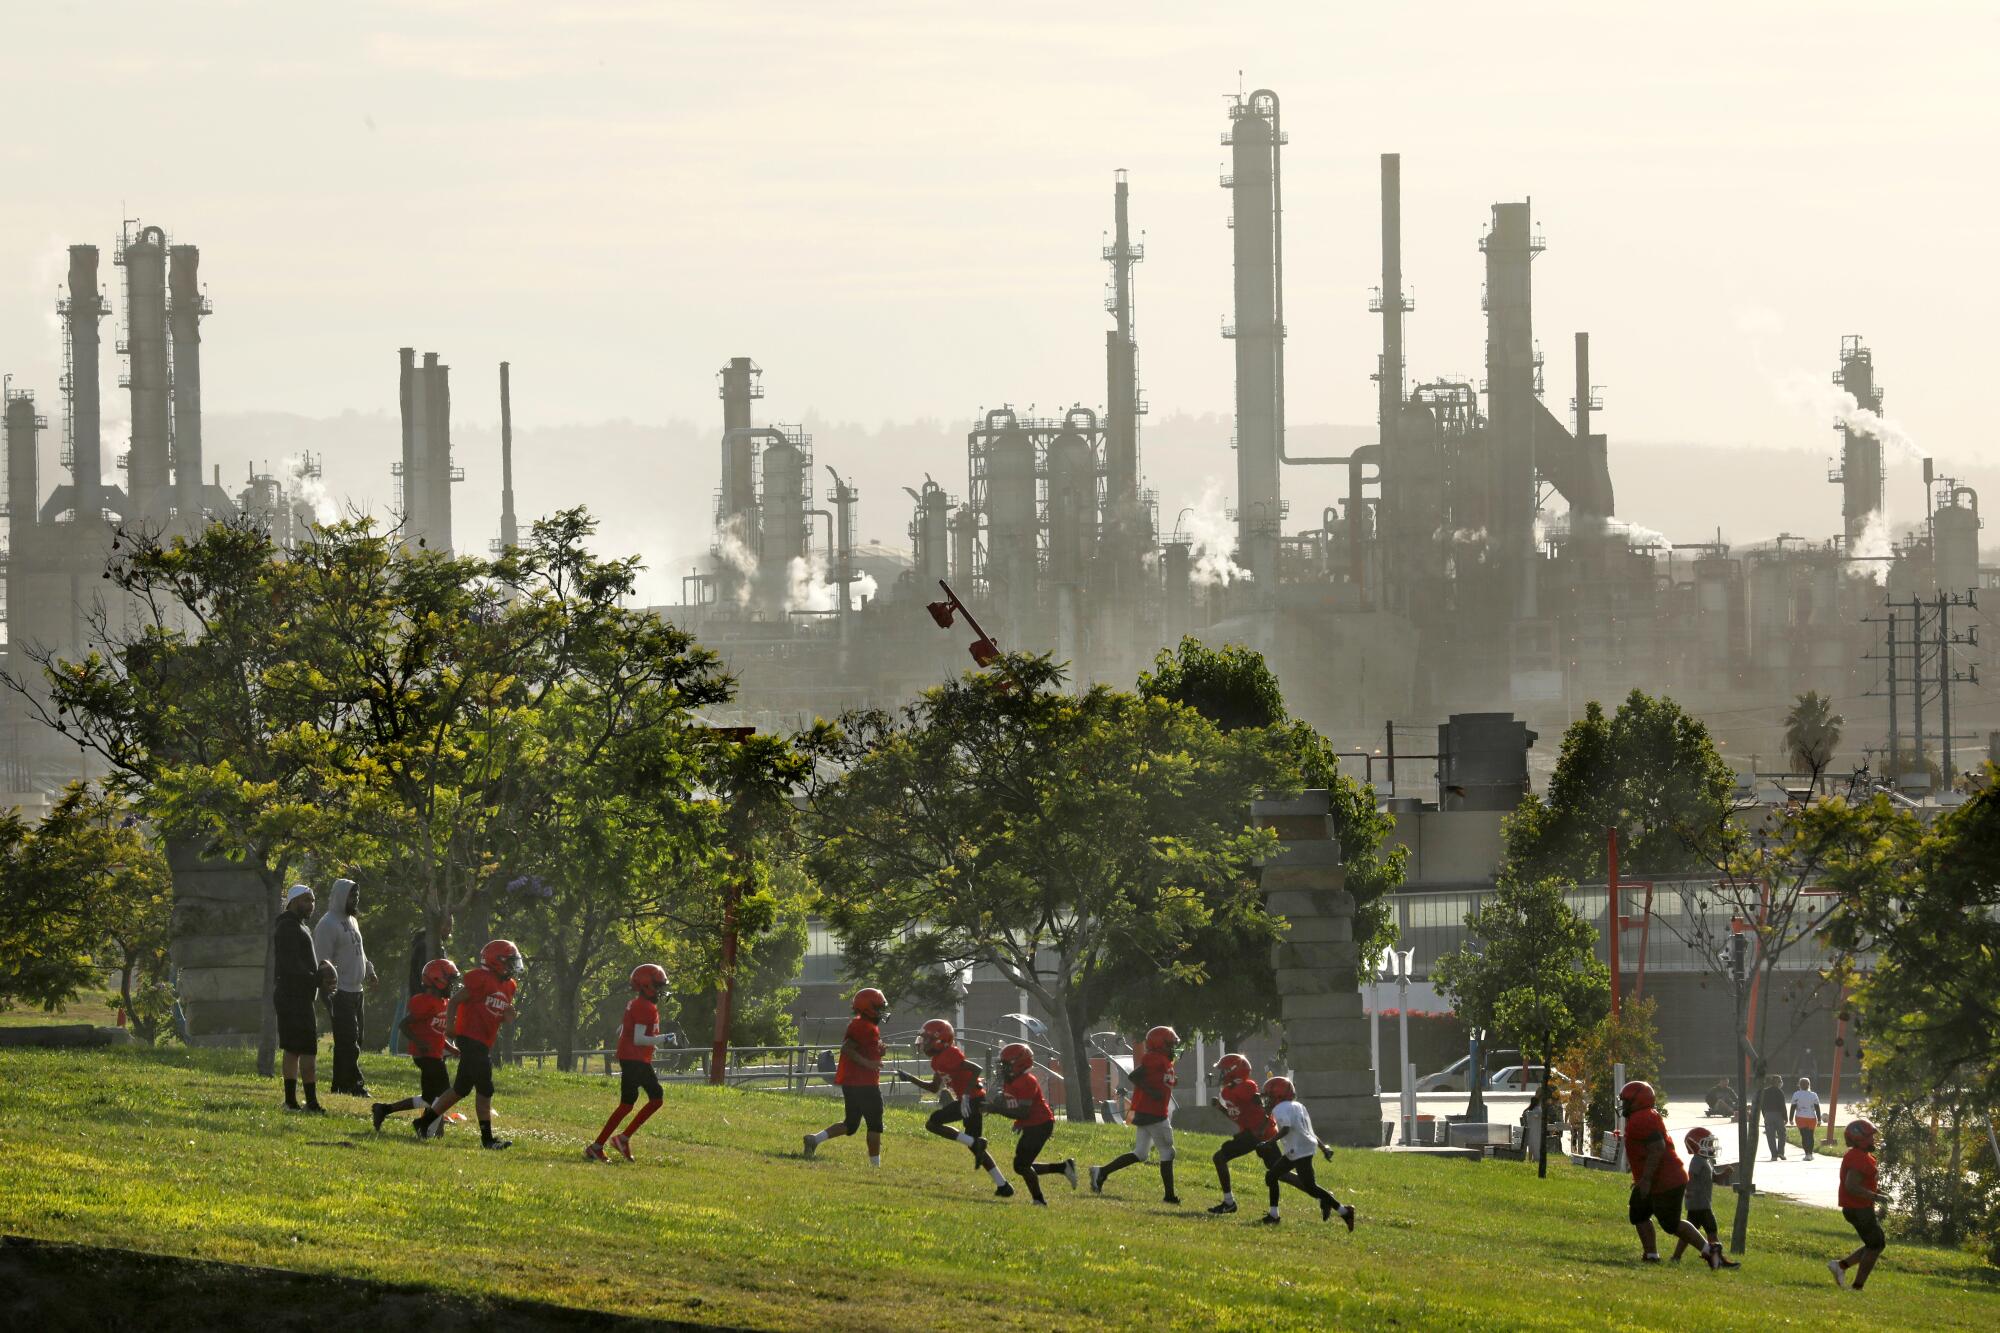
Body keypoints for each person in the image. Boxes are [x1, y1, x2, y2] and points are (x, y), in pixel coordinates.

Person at [412, 939, 523, 1150]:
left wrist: (506, 1016)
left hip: (483, 1040)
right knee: (485, 1087)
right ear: (495, 961)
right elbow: (455, 1001)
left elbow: (494, 1013)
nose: (512, 966)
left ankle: (423, 1122)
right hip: (470, 1037)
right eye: (509, 962)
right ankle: (487, 1140)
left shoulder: (509, 986)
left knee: (461, 1089)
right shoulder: (481, 979)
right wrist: (451, 1027)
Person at [1618, 1080, 1736, 1269]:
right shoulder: (1645, 1115)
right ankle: (1651, 1255)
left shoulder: (1641, 1118)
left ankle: (1709, 1250)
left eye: (1626, 1101)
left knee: (1670, 1224)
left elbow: (1657, 1148)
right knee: (1638, 1212)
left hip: (1665, 1180)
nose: (1623, 1105)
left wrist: (1646, 1179)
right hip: (1659, 1177)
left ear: (1637, 1101)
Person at [897, 1018, 1011, 1195]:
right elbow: (934, 1088)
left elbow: (976, 1069)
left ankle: (978, 1144)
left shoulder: (950, 1053)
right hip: (970, 1100)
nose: (923, 1042)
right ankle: (1003, 1185)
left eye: (927, 1039)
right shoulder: (936, 1060)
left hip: (972, 1100)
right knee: (975, 1147)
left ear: (940, 1040)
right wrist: (910, 1078)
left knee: (933, 1123)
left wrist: (965, 1094)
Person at [587, 963, 677, 1162]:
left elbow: (628, 1030)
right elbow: (639, 1038)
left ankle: (607, 1143)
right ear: (646, 985)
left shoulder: (639, 1004)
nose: (661, 990)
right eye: (658, 986)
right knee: (653, 1098)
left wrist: (653, 1042)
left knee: (631, 1103)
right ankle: (612, 1142)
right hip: (635, 1059)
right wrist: (664, 1038)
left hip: (634, 1058)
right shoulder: (644, 1006)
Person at [1089, 1026, 1181, 1204]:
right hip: (1154, 1113)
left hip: (1147, 1112)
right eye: (1170, 1044)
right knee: (1167, 1152)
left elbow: (1158, 1079)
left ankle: (1101, 1172)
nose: (1173, 1047)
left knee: (1140, 1153)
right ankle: (1169, 1196)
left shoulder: (1161, 1059)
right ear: (1161, 1044)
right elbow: (1135, 1077)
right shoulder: (1155, 1058)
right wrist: (1151, 1091)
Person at [804, 987, 890, 1164]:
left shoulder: (864, 1025)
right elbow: (847, 1048)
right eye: (878, 1007)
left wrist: (878, 1053)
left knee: (850, 1125)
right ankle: (876, 1168)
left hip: (853, 1083)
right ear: (868, 1008)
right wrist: (869, 1064)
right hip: (865, 1084)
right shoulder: (862, 1026)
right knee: (875, 1125)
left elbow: (860, 1050)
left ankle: (814, 1139)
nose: (881, 1011)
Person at [372, 959, 459, 1133]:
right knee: (443, 1095)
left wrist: (451, 1049)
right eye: (450, 980)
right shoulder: (425, 1001)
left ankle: (384, 1109)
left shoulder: (443, 1002)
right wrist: (420, 1043)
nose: (452, 985)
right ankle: (428, 1130)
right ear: (437, 981)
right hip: (424, 1055)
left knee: (429, 1098)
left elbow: (438, 1033)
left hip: (434, 1054)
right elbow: (404, 1025)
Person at [1259, 1076, 1355, 1230]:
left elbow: (1286, 1129)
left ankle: (1344, 1211)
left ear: (1278, 1095)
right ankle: (1273, 1215)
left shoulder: (1280, 1108)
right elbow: (1309, 1131)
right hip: (1302, 1147)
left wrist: (1268, 1143)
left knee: (1310, 1187)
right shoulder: (1298, 1106)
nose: (1267, 1101)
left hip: (1298, 1149)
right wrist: (1324, 1148)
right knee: (1272, 1176)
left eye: (1269, 1096)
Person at [985, 1042, 1075, 1205]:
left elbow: (1023, 1111)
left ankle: (1039, 1200)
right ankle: (1063, 1168)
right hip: (1032, 1124)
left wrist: (996, 1109)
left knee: (1021, 1165)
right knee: (1022, 1165)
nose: (1001, 1068)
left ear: (1019, 1064)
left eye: (1005, 1065)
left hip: (1040, 1124)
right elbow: (1015, 1106)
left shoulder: (1027, 1080)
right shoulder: (1011, 1080)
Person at [272, 883, 333, 1114]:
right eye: (306, 900)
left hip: (298, 996)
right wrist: (316, 978)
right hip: (292, 996)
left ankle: (294, 1102)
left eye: (313, 900)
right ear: (293, 901)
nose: (311, 905)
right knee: (304, 1049)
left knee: (296, 1049)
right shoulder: (288, 927)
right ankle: (307, 1102)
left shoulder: (299, 926)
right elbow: (291, 966)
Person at [312, 877, 376, 1096]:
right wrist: (327, 989)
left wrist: (369, 970)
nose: (355, 899)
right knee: (348, 1040)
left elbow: (360, 951)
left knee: (355, 1039)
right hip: (339, 992)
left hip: (357, 990)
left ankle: (339, 1084)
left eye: (356, 895)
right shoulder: (327, 924)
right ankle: (354, 1084)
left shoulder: (352, 921)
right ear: (340, 896)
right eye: (351, 895)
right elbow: (322, 960)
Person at [1207, 1052, 1279, 1215]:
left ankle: (1229, 1202)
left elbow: (1264, 1109)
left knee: (1219, 1157)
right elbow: (1238, 1115)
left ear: (1234, 1070)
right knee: (1280, 1172)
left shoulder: (1246, 1087)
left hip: (1257, 1134)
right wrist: (1221, 1108)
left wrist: (1261, 1129)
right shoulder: (1230, 1091)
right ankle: (1322, 1196)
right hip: (1258, 1133)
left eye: (1224, 1070)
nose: (1222, 1074)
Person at [1829, 1118, 1887, 1291]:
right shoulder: (1858, 1157)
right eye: (1870, 1137)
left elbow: (1863, 1183)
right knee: (1876, 1245)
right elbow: (1851, 1186)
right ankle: (1856, 1286)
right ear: (1859, 1139)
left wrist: (1877, 1194)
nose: (1873, 1140)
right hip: (1859, 1208)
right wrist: (1874, 1196)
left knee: (1875, 1244)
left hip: (1858, 1207)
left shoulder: (1861, 1156)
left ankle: (1841, 1266)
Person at [1671, 1127, 1735, 1261]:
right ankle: (1718, 1257)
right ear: (1697, 1145)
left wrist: (1724, 1174)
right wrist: (1690, 1191)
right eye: (1708, 1144)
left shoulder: (1706, 1161)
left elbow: (1714, 1178)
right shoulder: (1697, 1161)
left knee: (1689, 1233)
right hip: (1700, 1203)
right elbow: (1690, 1177)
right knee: (1712, 1230)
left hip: (1699, 1203)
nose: (1712, 1147)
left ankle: (1676, 1256)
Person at [1790, 1076, 1823, 1159]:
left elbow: (1793, 1107)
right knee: (1810, 1136)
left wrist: (1790, 1119)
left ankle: (1807, 1154)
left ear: (1799, 1085)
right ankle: (1810, 1154)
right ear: (1809, 1085)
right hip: (1812, 1118)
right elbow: (1817, 1108)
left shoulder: (1796, 1094)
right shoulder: (1814, 1095)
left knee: (1804, 1136)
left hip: (1800, 1118)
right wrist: (1819, 1120)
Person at [1757, 1074, 1788, 1161]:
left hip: (1768, 1115)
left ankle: (1774, 1155)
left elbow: (1762, 1105)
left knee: (1770, 1136)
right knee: (1782, 1134)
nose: (1781, 1082)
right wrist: (1785, 1117)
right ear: (1777, 1082)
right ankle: (1781, 1152)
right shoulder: (1779, 1092)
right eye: (1780, 1081)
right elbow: (1783, 1106)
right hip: (1778, 1115)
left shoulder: (1765, 1091)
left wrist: (1764, 1115)